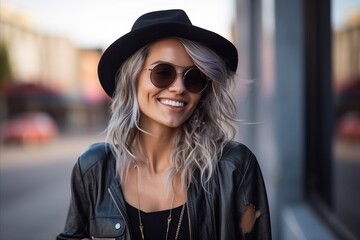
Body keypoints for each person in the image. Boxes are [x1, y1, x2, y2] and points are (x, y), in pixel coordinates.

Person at [57, 9, 271, 240]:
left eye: (194, 77)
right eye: (163, 72)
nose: (179, 87)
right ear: (133, 78)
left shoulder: (234, 165)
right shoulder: (94, 168)